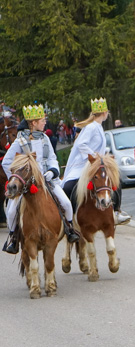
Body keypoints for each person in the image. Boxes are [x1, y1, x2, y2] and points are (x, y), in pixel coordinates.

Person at [2, 103, 80, 254]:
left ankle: (70, 229)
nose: (45, 122)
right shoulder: (20, 141)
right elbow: (6, 162)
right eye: (42, 120)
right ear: (33, 123)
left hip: (47, 180)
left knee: (66, 202)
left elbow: (52, 158)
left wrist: (52, 171)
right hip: (25, 183)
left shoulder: (45, 139)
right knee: (11, 211)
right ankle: (13, 238)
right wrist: (16, 179)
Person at [61, 98, 131, 226]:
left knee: (115, 180)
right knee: (68, 187)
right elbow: (81, 144)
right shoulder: (91, 127)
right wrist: (95, 156)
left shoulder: (98, 127)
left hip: (96, 164)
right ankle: (68, 218)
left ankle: (116, 211)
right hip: (84, 164)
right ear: (105, 113)